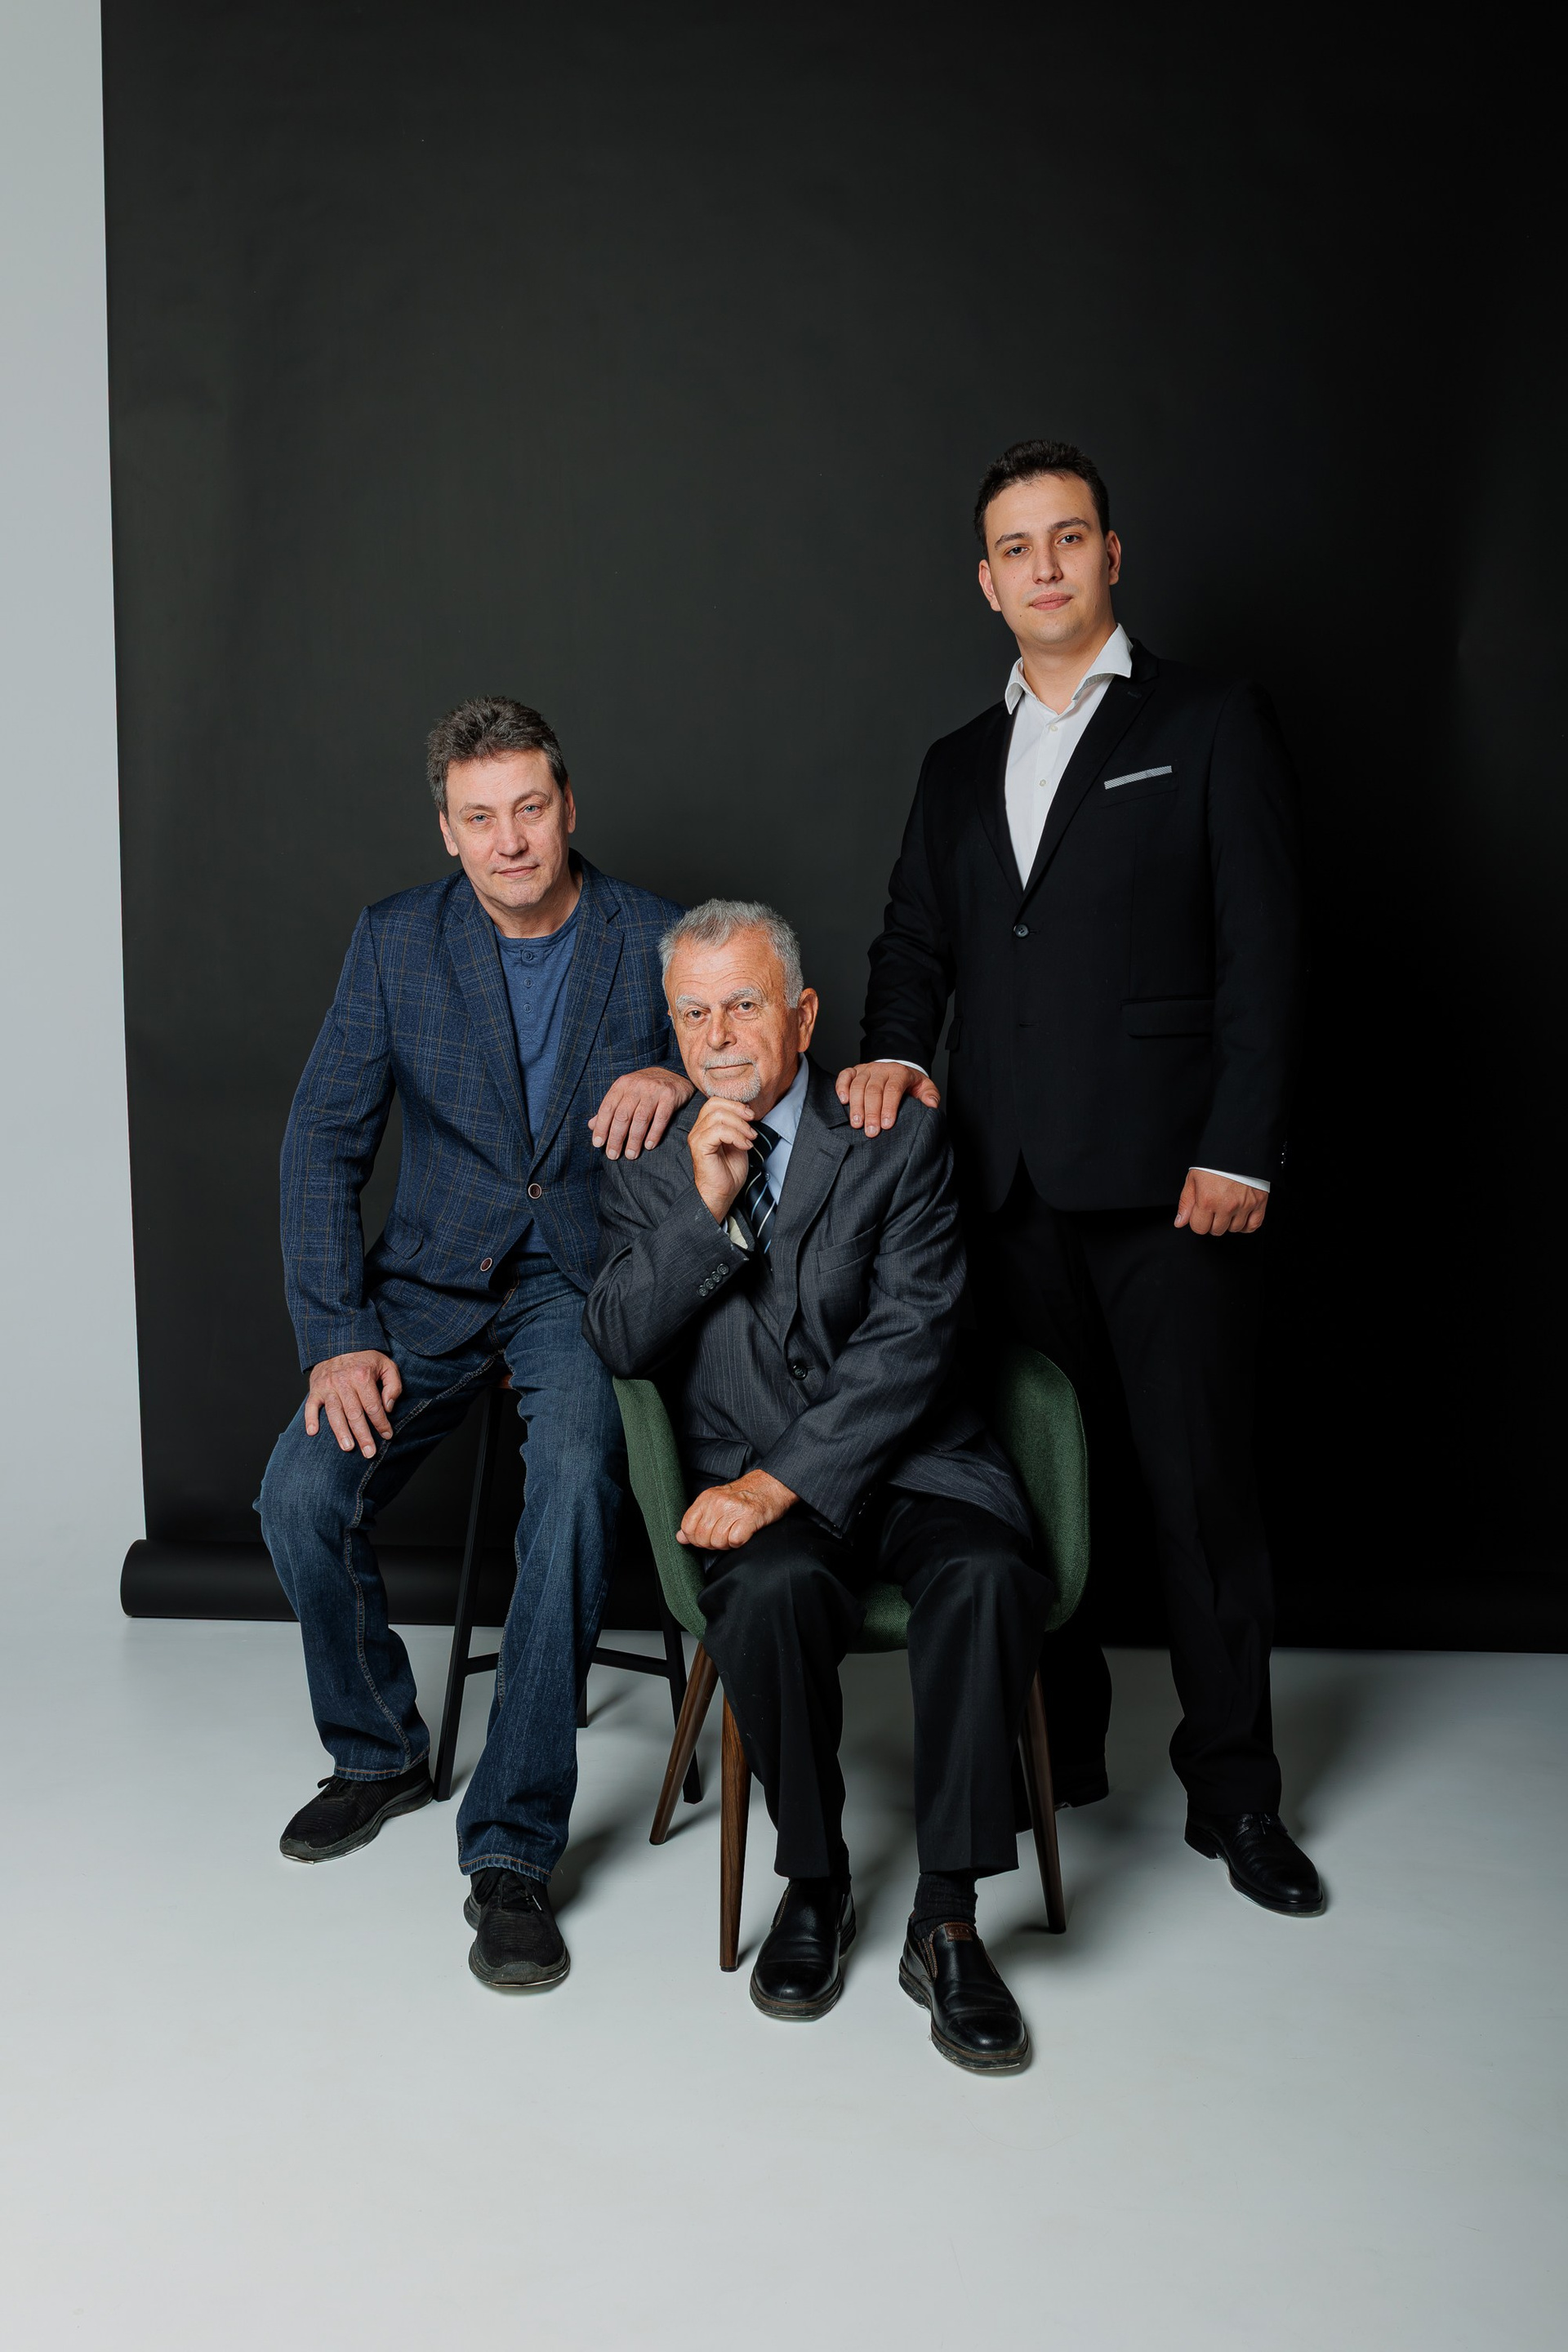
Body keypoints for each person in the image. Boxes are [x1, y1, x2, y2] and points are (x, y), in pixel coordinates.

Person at [837, 438, 1322, 1918]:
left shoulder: (1211, 719)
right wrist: (892, 1052)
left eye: (1068, 537)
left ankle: (1235, 1792)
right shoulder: (953, 765)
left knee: (1197, 1493)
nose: (1044, 565)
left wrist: (1239, 1143)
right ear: (986, 584)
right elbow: (914, 946)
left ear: (1112, 555)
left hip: (1177, 1186)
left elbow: (1265, 948)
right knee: (1041, 1492)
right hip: (1005, 1190)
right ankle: (1070, 1753)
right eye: (1016, 547)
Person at [258, 695, 692, 1990]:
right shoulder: (395, 941)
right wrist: (338, 1334)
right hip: (430, 1287)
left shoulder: (656, 936)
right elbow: (321, 1143)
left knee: (575, 1490)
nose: (511, 839)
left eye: (531, 809)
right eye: (480, 817)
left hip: (583, 1286)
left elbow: (760, 1079)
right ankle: (381, 1748)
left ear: (569, 808)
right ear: (446, 831)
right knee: (299, 1492)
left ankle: (510, 1847)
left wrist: (683, 1076)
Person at [585, 900, 1054, 2073]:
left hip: (913, 1461)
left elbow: (914, 1341)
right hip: (743, 1481)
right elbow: (618, 1337)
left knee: (988, 1573)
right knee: (769, 1592)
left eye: (744, 1005)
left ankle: (947, 1917)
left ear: (802, 1013)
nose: (718, 1037)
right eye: (693, 1013)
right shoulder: (647, 1157)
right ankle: (816, 1879)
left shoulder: (893, 1130)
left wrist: (779, 1481)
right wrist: (702, 1210)